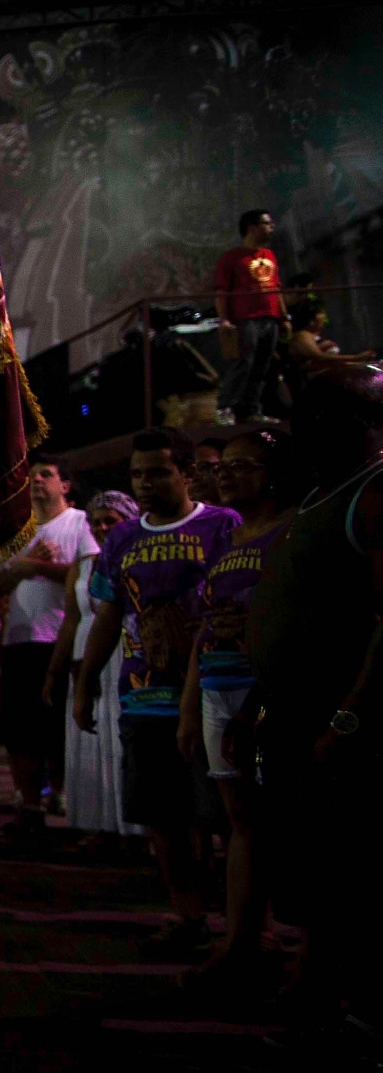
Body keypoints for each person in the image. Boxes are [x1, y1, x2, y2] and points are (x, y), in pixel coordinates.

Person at [249, 367, 383, 1037]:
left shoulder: (375, 495)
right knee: (311, 863)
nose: (301, 432)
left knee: (349, 866)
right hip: (295, 714)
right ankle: (314, 983)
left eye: (316, 419)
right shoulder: (320, 495)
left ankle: (354, 1005)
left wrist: (350, 713)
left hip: (341, 722)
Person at [76, 429, 241, 958]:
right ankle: (188, 915)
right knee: (162, 817)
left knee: (224, 818)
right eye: (137, 474)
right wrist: (82, 683)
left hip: (215, 696)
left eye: (158, 472)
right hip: (144, 698)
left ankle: (241, 927)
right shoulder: (123, 539)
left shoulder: (222, 525)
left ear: (187, 473)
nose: (145, 484)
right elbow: (107, 613)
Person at [177, 431, 290, 990]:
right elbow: (207, 622)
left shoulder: (290, 531)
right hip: (220, 688)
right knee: (238, 821)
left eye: (243, 465)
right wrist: (190, 703)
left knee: (281, 818)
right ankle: (243, 938)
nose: (226, 474)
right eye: (224, 466)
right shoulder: (230, 537)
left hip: (268, 693)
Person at [0, 454, 99, 834]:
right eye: (31, 476)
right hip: (19, 640)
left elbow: (90, 574)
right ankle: (28, 802)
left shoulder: (80, 523)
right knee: (20, 728)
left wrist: (37, 568)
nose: (36, 481)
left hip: (65, 639)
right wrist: (20, 566)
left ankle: (61, 794)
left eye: (45, 475)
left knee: (59, 725)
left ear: (65, 485)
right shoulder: (17, 531)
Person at [48, 492, 143, 846]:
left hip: (119, 652)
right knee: (88, 739)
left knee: (118, 739)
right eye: (97, 521)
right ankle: (99, 822)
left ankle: (134, 826)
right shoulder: (84, 564)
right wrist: (54, 671)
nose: (103, 528)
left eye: (111, 520)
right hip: (82, 654)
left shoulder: (136, 558)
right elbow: (72, 619)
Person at [214, 209, 286, 429]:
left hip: (270, 318)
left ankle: (252, 409)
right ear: (252, 227)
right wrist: (224, 318)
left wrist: (284, 316)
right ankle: (224, 407)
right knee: (243, 363)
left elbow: (277, 287)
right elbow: (221, 291)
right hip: (246, 318)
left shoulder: (270, 255)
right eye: (267, 223)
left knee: (261, 366)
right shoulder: (232, 258)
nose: (271, 226)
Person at [288, 304, 375, 378]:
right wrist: (355, 357)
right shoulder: (302, 335)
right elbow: (319, 357)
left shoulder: (314, 336)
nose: (324, 319)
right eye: (320, 314)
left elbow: (333, 362)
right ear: (311, 321)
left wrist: (358, 362)